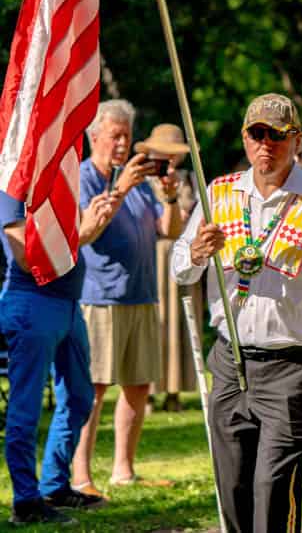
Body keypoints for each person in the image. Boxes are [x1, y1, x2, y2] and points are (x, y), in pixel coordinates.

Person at [171, 93, 302, 533]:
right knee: (233, 485)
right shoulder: (218, 193)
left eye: (277, 135)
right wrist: (196, 253)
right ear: (245, 138)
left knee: (272, 485)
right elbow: (179, 263)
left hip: (292, 366)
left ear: (295, 139)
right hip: (230, 360)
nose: (266, 144)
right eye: (257, 134)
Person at [72, 100, 184, 493]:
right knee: (92, 390)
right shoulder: (84, 177)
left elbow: (168, 230)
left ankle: (123, 469)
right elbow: (90, 230)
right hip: (99, 297)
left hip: (141, 294)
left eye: (127, 136)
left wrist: (169, 197)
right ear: (94, 137)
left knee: (138, 386)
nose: (122, 144)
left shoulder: (136, 182)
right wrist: (119, 188)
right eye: (114, 136)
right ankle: (80, 476)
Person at [0, 190, 114, 525]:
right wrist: (85, 231)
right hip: (31, 304)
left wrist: (94, 219)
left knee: (79, 399)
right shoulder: (11, 190)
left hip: (68, 305)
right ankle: (26, 502)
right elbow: (25, 256)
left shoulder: (56, 179)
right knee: (27, 408)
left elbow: (76, 232)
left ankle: (54, 485)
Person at [140, 124, 200, 413]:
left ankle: (175, 391)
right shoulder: (142, 181)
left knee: (181, 322)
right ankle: (148, 391)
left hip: (184, 253)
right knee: (156, 321)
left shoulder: (191, 179)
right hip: (153, 256)